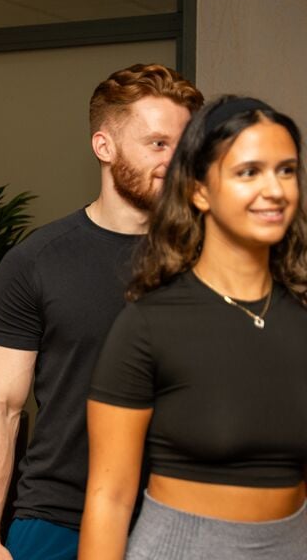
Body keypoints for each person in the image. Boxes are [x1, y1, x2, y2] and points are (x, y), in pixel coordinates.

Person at [0, 64, 203, 560]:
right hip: (58, 515)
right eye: (157, 144)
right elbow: (2, 405)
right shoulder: (36, 261)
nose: (174, 161)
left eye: (182, 147)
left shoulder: (212, 260)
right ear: (104, 147)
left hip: (180, 519)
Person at [80, 97, 307, 559]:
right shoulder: (149, 325)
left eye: (286, 170)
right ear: (200, 191)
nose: (275, 189)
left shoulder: (300, 314)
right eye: (249, 172)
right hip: (183, 548)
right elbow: (109, 498)